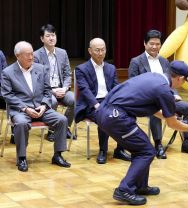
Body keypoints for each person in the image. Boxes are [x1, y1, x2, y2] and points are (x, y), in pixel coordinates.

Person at [96, 60, 188, 205]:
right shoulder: (164, 90)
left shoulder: (154, 77)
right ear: (179, 78)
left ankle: (140, 186)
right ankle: (124, 190)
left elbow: (155, 110)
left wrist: (176, 119)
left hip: (105, 113)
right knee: (146, 151)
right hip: (117, 117)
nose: (183, 84)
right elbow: (172, 124)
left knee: (141, 148)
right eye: (184, 81)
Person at [128, 29, 188, 159]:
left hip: (167, 98)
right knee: (156, 109)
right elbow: (132, 85)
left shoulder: (164, 61)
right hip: (146, 102)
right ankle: (158, 144)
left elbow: (172, 80)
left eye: (157, 44)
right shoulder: (136, 61)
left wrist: (174, 93)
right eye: (151, 44)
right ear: (145, 44)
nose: (155, 47)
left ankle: (187, 142)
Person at [1, 41, 71, 172]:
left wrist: (44, 105)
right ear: (18, 56)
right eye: (27, 54)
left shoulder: (41, 68)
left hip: (41, 108)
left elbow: (47, 90)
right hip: (21, 110)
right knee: (21, 124)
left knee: (62, 120)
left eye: (32, 54)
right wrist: (25, 108)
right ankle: (21, 158)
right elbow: (7, 95)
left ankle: (58, 155)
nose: (31, 57)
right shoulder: (8, 72)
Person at [75, 38, 131, 164]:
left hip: (109, 101)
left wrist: (120, 102)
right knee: (104, 116)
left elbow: (116, 88)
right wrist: (97, 105)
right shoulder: (81, 69)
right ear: (90, 51)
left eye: (103, 50)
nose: (100, 53)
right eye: (97, 50)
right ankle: (103, 150)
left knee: (126, 114)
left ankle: (120, 149)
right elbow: (85, 91)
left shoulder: (111, 68)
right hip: (91, 104)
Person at [34, 24, 75, 141]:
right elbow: (37, 79)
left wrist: (65, 88)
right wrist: (52, 91)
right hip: (47, 91)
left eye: (53, 35)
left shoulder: (62, 53)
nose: (51, 38)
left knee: (75, 100)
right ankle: (52, 130)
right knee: (52, 102)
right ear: (42, 39)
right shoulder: (36, 55)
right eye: (48, 36)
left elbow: (68, 73)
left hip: (62, 89)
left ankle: (65, 127)